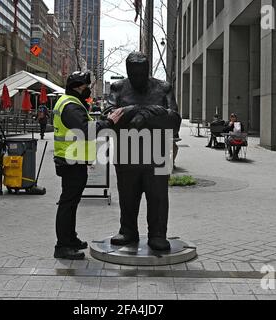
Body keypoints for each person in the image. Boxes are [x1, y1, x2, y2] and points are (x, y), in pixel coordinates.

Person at [106, 52, 182, 251]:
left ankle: (158, 234)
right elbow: (109, 118)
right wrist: (140, 110)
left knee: (157, 197)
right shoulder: (118, 88)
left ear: (147, 70)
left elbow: (174, 120)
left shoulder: (163, 88)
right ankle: (128, 230)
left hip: (156, 153)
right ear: (128, 72)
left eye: (141, 74)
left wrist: (142, 116)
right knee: (127, 196)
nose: (138, 79)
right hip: (127, 152)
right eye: (133, 75)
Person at [53, 71, 123, 260]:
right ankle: (62, 246)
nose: (88, 90)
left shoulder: (72, 103)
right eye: (86, 87)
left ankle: (70, 239)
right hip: (71, 161)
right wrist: (109, 121)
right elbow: (87, 131)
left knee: (71, 202)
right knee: (68, 203)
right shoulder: (70, 106)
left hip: (73, 160)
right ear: (77, 87)